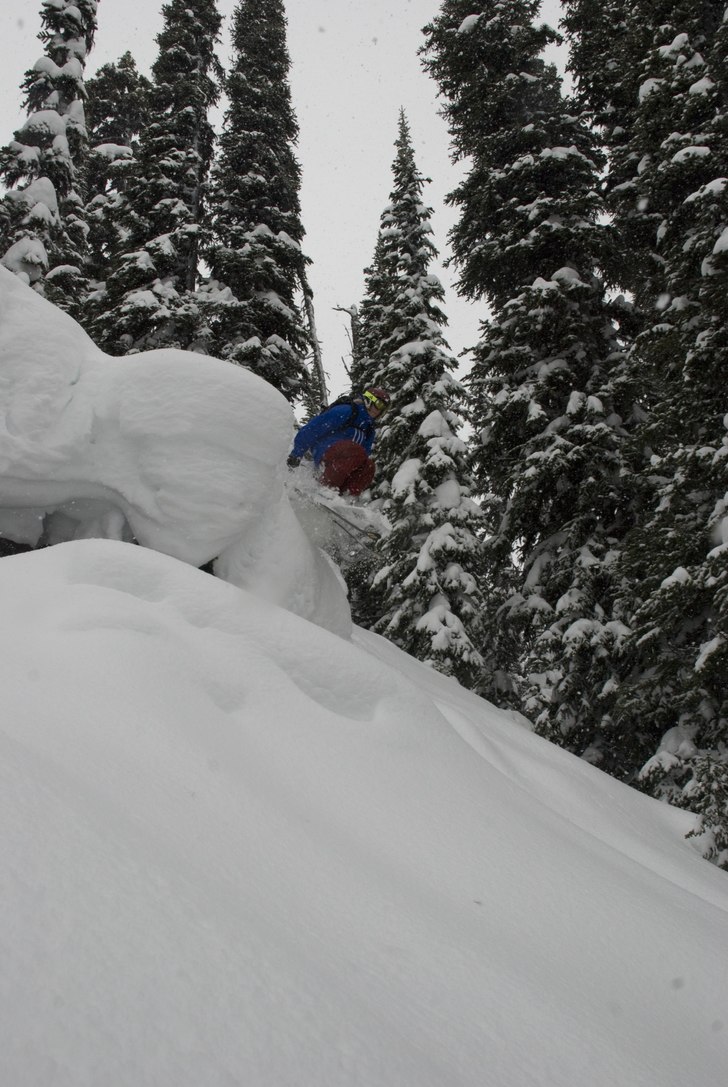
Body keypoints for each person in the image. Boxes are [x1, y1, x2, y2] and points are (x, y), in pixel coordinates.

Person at [287, 387, 391, 497]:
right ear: (369, 400)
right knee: (355, 451)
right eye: (379, 404)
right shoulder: (347, 411)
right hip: (325, 451)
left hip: (343, 461)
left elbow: (362, 458)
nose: (379, 410)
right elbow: (313, 428)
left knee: (368, 465)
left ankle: (345, 496)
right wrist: (296, 454)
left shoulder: (369, 430)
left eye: (383, 408)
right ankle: (327, 488)